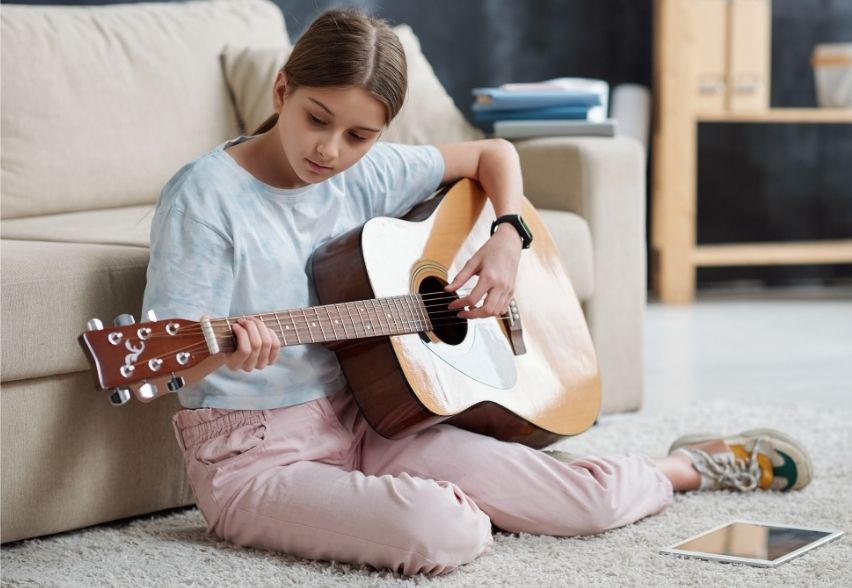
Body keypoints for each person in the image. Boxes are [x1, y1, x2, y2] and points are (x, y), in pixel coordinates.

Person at [142, 9, 813, 576]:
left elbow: (495, 156)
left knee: (590, 508)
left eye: (359, 136)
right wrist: (228, 353)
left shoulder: (365, 173)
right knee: (447, 533)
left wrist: (506, 237)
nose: (332, 152)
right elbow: (171, 362)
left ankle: (689, 465)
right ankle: (417, 497)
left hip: (371, 417)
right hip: (252, 454)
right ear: (281, 91)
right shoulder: (205, 197)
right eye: (317, 119)